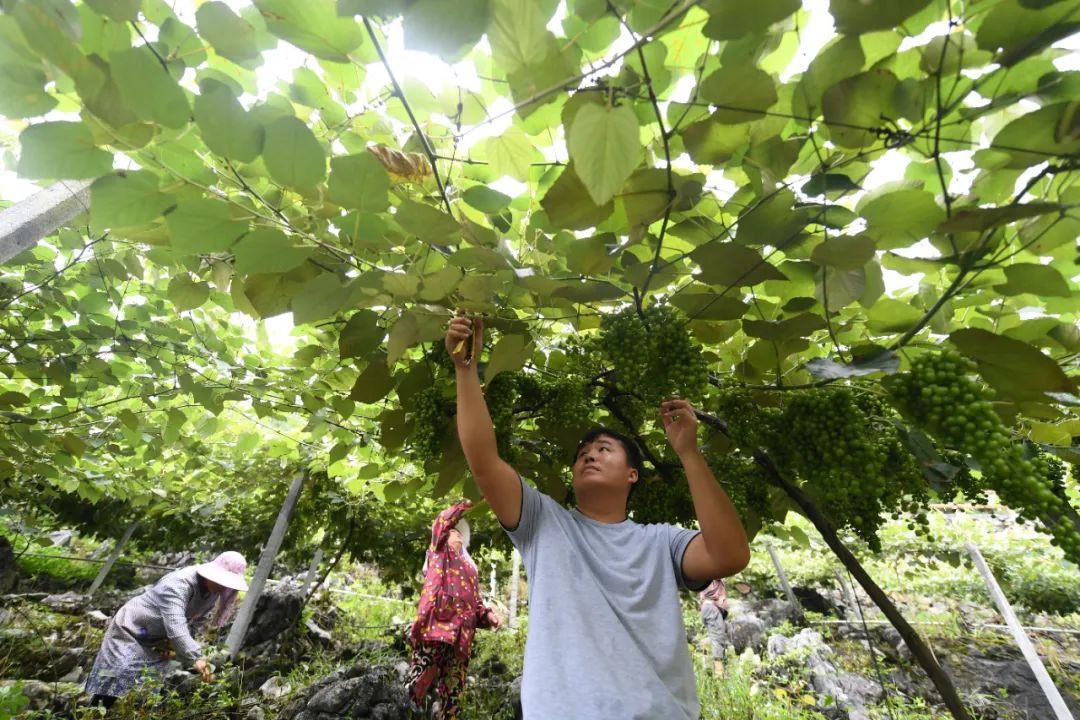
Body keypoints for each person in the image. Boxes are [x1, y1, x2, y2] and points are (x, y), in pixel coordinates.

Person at [446, 313, 751, 720]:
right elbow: (483, 459)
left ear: (632, 474)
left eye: (604, 448)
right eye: (583, 452)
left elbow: (731, 555)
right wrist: (466, 369)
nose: (589, 453)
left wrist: (689, 453)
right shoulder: (543, 522)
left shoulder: (662, 543)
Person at [84, 551, 248, 710]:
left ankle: (120, 712)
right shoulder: (178, 584)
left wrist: (172, 646)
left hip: (157, 637)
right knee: (116, 673)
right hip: (130, 628)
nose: (224, 587)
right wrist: (195, 658)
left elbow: (195, 621)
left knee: (147, 685)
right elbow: (176, 623)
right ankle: (94, 711)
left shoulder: (212, 591)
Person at [407, 502, 501, 719]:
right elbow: (442, 520)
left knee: (453, 696)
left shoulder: (470, 567)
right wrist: (471, 500)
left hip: (461, 637)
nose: (456, 535)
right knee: (418, 683)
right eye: (452, 532)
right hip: (435, 627)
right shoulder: (439, 552)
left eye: (459, 533)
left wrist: (488, 616)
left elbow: (475, 603)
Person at [699, 579, 731, 676]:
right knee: (717, 639)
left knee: (714, 638)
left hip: (708, 608)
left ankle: (707, 664)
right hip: (712, 609)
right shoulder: (712, 576)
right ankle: (719, 673)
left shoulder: (706, 578)